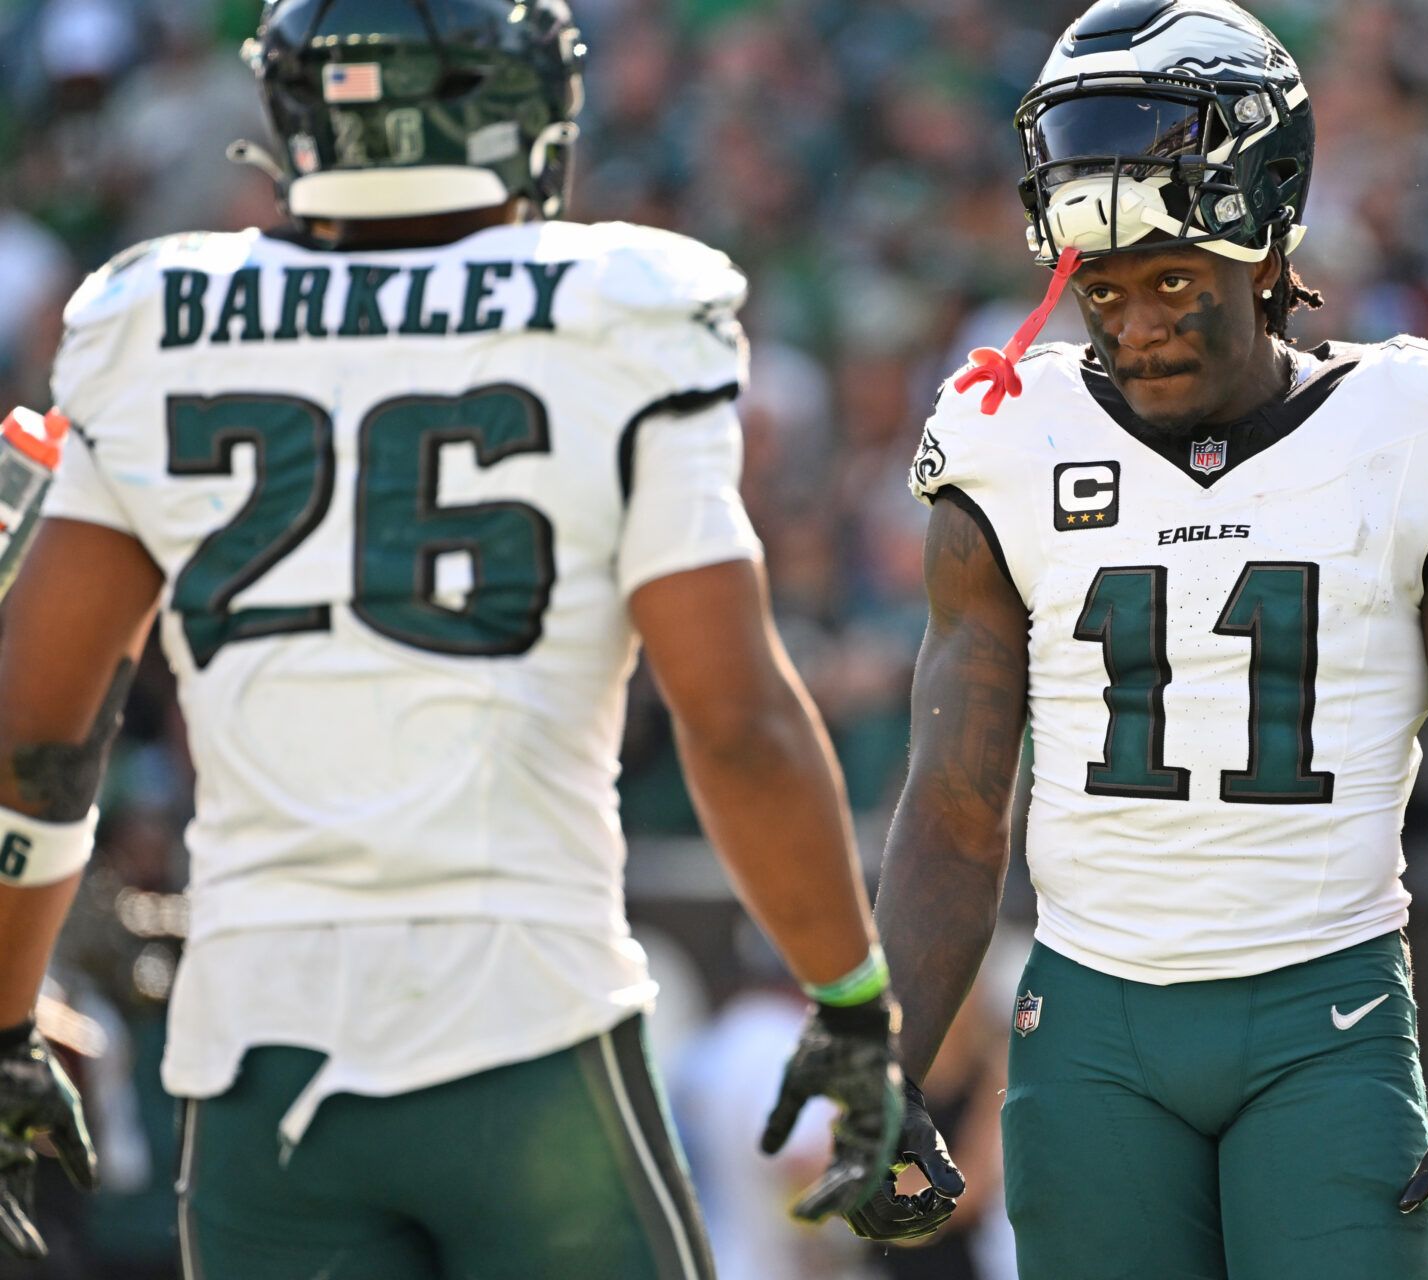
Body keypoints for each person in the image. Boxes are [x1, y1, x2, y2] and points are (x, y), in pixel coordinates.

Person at [0, 2, 904, 1276]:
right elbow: (739, 722)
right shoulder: (625, 304)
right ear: (520, 113)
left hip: (261, 1051)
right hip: (525, 1026)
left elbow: (37, 739)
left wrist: (0, 1022)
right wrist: (852, 998)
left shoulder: (155, 313)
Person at [852, 3, 1428, 1278]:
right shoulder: (1004, 438)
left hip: (1330, 1014)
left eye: (1175, 279)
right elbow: (958, 806)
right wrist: (894, 1066)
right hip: (1090, 1025)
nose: (1134, 323)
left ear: (1268, 250)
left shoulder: (1424, 428)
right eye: (1103, 287)